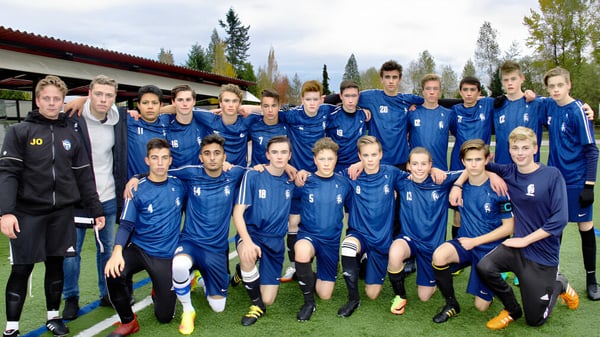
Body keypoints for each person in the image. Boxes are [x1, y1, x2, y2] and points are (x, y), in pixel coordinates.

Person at [0, 75, 105, 337]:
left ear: (62, 101)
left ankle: (53, 317)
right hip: (27, 214)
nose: (51, 103)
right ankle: (12, 327)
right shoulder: (19, 131)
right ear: (37, 101)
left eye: (56, 99)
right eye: (46, 98)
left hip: (61, 214)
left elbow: (84, 174)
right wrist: (6, 212)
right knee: (22, 269)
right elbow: (8, 173)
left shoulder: (70, 133)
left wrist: (96, 209)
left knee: (56, 265)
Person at [464, 126, 580, 330]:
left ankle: (559, 284)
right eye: (515, 148)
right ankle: (511, 309)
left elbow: (560, 219)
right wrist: (460, 184)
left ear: (535, 149)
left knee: (535, 320)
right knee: (485, 267)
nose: (520, 153)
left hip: (543, 255)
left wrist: (525, 240)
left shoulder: (552, 175)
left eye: (525, 147)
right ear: (509, 150)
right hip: (516, 250)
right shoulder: (508, 172)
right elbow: (476, 167)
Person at [62, 75, 128, 320]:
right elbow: (48, 105)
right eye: (98, 93)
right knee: (72, 252)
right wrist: (76, 100)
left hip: (108, 197)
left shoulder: (118, 119)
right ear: (89, 93)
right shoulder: (71, 116)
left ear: (115, 98)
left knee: (107, 250)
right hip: (76, 199)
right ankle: (71, 297)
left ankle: (107, 293)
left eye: (108, 95)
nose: (103, 99)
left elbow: (155, 107)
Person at [104, 138, 185, 337]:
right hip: (140, 248)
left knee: (165, 317)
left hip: (165, 255)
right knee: (113, 271)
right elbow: (125, 225)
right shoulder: (136, 188)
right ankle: (129, 322)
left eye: (164, 158)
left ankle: (159, 289)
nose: (159, 162)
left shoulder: (180, 185)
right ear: (147, 160)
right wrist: (117, 252)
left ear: (170, 160)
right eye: (155, 158)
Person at [169, 134, 246, 335]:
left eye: (217, 154)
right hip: (191, 242)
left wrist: (287, 168)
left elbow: (258, 171)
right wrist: (134, 178)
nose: (212, 158)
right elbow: (159, 171)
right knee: (178, 265)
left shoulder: (235, 173)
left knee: (218, 307)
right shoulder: (190, 173)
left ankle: (202, 277)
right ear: (200, 157)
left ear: (224, 157)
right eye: (207, 153)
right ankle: (187, 309)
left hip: (217, 249)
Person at [431, 139, 514, 323]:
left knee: (481, 306)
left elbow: (509, 227)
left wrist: (475, 242)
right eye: (469, 160)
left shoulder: (498, 187)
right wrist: (454, 183)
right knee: (439, 256)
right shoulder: (459, 179)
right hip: (465, 243)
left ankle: (493, 277)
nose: (474, 164)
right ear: (463, 161)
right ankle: (451, 304)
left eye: (478, 159)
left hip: (489, 250)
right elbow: (422, 170)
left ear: (487, 160)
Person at [337, 136, 411, 318]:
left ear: (381, 155)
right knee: (348, 247)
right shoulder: (351, 174)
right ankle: (353, 299)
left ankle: (367, 261)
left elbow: (417, 176)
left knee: (373, 293)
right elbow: (326, 173)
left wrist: (432, 169)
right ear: (359, 156)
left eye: (373, 155)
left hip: (382, 240)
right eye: (365, 155)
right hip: (359, 234)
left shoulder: (391, 173)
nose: (369, 159)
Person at [543, 67, 600, 300]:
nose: (556, 89)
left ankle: (592, 280)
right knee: (555, 230)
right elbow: (529, 99)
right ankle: (552, 276)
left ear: (569, 85)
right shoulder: (548, 105)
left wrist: (589, 186)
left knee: (585, 229)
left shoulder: (579, 110)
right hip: (554, 182)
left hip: (577, 181)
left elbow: (592, 151)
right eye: (551, 86)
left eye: (560, 85)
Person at [386, 147, 458, 315]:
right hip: (409, 239)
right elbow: (378, 168)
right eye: (415, 164)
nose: (419, 168)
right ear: (408, 166)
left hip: (432, 246)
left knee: (424, 296)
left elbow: (471, 169)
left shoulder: (441, 180)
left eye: (424, 164)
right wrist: (359, 163)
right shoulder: (402, 181)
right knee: (395, 252)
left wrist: (458, 185)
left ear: (430, 165)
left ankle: (432, 272)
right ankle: (400, 296)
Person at [233, 135, 294, 326]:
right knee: (247, 253)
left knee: (269, 298)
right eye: (274, 152)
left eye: (283, 152)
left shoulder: (292, 180)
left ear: (289, 155)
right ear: (267, 154)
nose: (279, 156)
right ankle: (256, 305)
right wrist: (248, 242)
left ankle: (241, 272)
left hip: (275, 241)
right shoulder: (254, 175)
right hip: (253, 234)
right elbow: (238, 213)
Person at [293, 137, 351, 321]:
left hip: (331, 242)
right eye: (322, 159)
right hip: (309, 236)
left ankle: (313, 273)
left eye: (330, 158)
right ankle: (309, 303)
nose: (326, 163)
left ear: (336, 159)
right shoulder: (305, 180)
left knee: (325, 294)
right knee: (301, 250)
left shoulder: (344, 183)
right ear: (315, 160)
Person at [408, 74, 456, 171]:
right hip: (417, 171)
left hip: (440, 171)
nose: (432, 92)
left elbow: (459, 137)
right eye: (428, 88)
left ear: (440, 91)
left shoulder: (449, 114)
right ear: (423, 91)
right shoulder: (412, 112)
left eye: (435, 88)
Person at [127, 85, 169, 178]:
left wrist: (163, 110)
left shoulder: (167, 120)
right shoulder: (129, 120)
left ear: (161, 105)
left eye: (154, 103)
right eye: (145, 103)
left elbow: (181, 108)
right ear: (138, 105)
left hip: (161, 182)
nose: (150, 107)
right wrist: (127, 111)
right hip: (134, 184)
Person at [325, 80, 368, 172]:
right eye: (347, 96)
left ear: (358, 96)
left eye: (354, 96)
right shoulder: (331, 115)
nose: (350, 100)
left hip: (358, 166)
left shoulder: (364, 115)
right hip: (336, 167)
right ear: (340, 96)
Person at [166, 84, 205, 168]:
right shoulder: (165, 126)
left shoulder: (204, 123)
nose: (184, 104)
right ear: (173, 102)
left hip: (198, 178)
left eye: (188, 100)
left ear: (194, 101)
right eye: (180, 100)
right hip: (175, 178)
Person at [247, 89, 289, 166]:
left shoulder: (287, 127)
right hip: (258, 173)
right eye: (266, 106)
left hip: (280, 174)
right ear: (261, 107)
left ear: (279, 106)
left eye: (273, 106)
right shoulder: (253, 126)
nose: (270, 110)